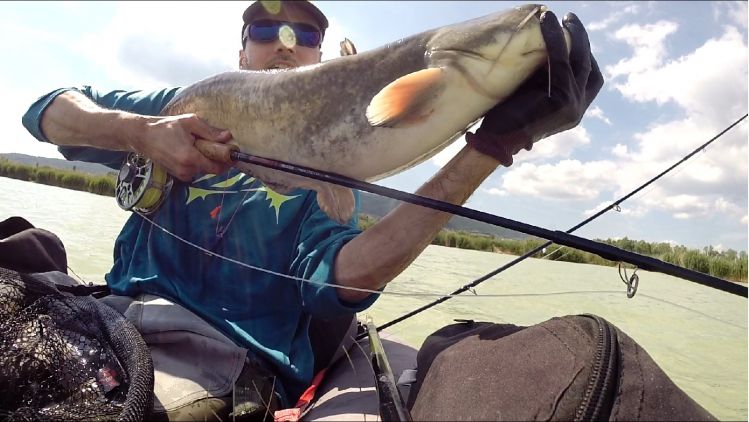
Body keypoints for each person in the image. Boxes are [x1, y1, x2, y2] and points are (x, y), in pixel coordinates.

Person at [21, 1, 603, 420]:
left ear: (320, 55)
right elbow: (46, 112)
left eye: (304, 33)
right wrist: (144, 132)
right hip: (107, 319)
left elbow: (347, 278)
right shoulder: (182, 104)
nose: (286, 41)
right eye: (266, 28)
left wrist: (490, 147)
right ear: (242, 49)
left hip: (220, 367)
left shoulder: (330, 183)